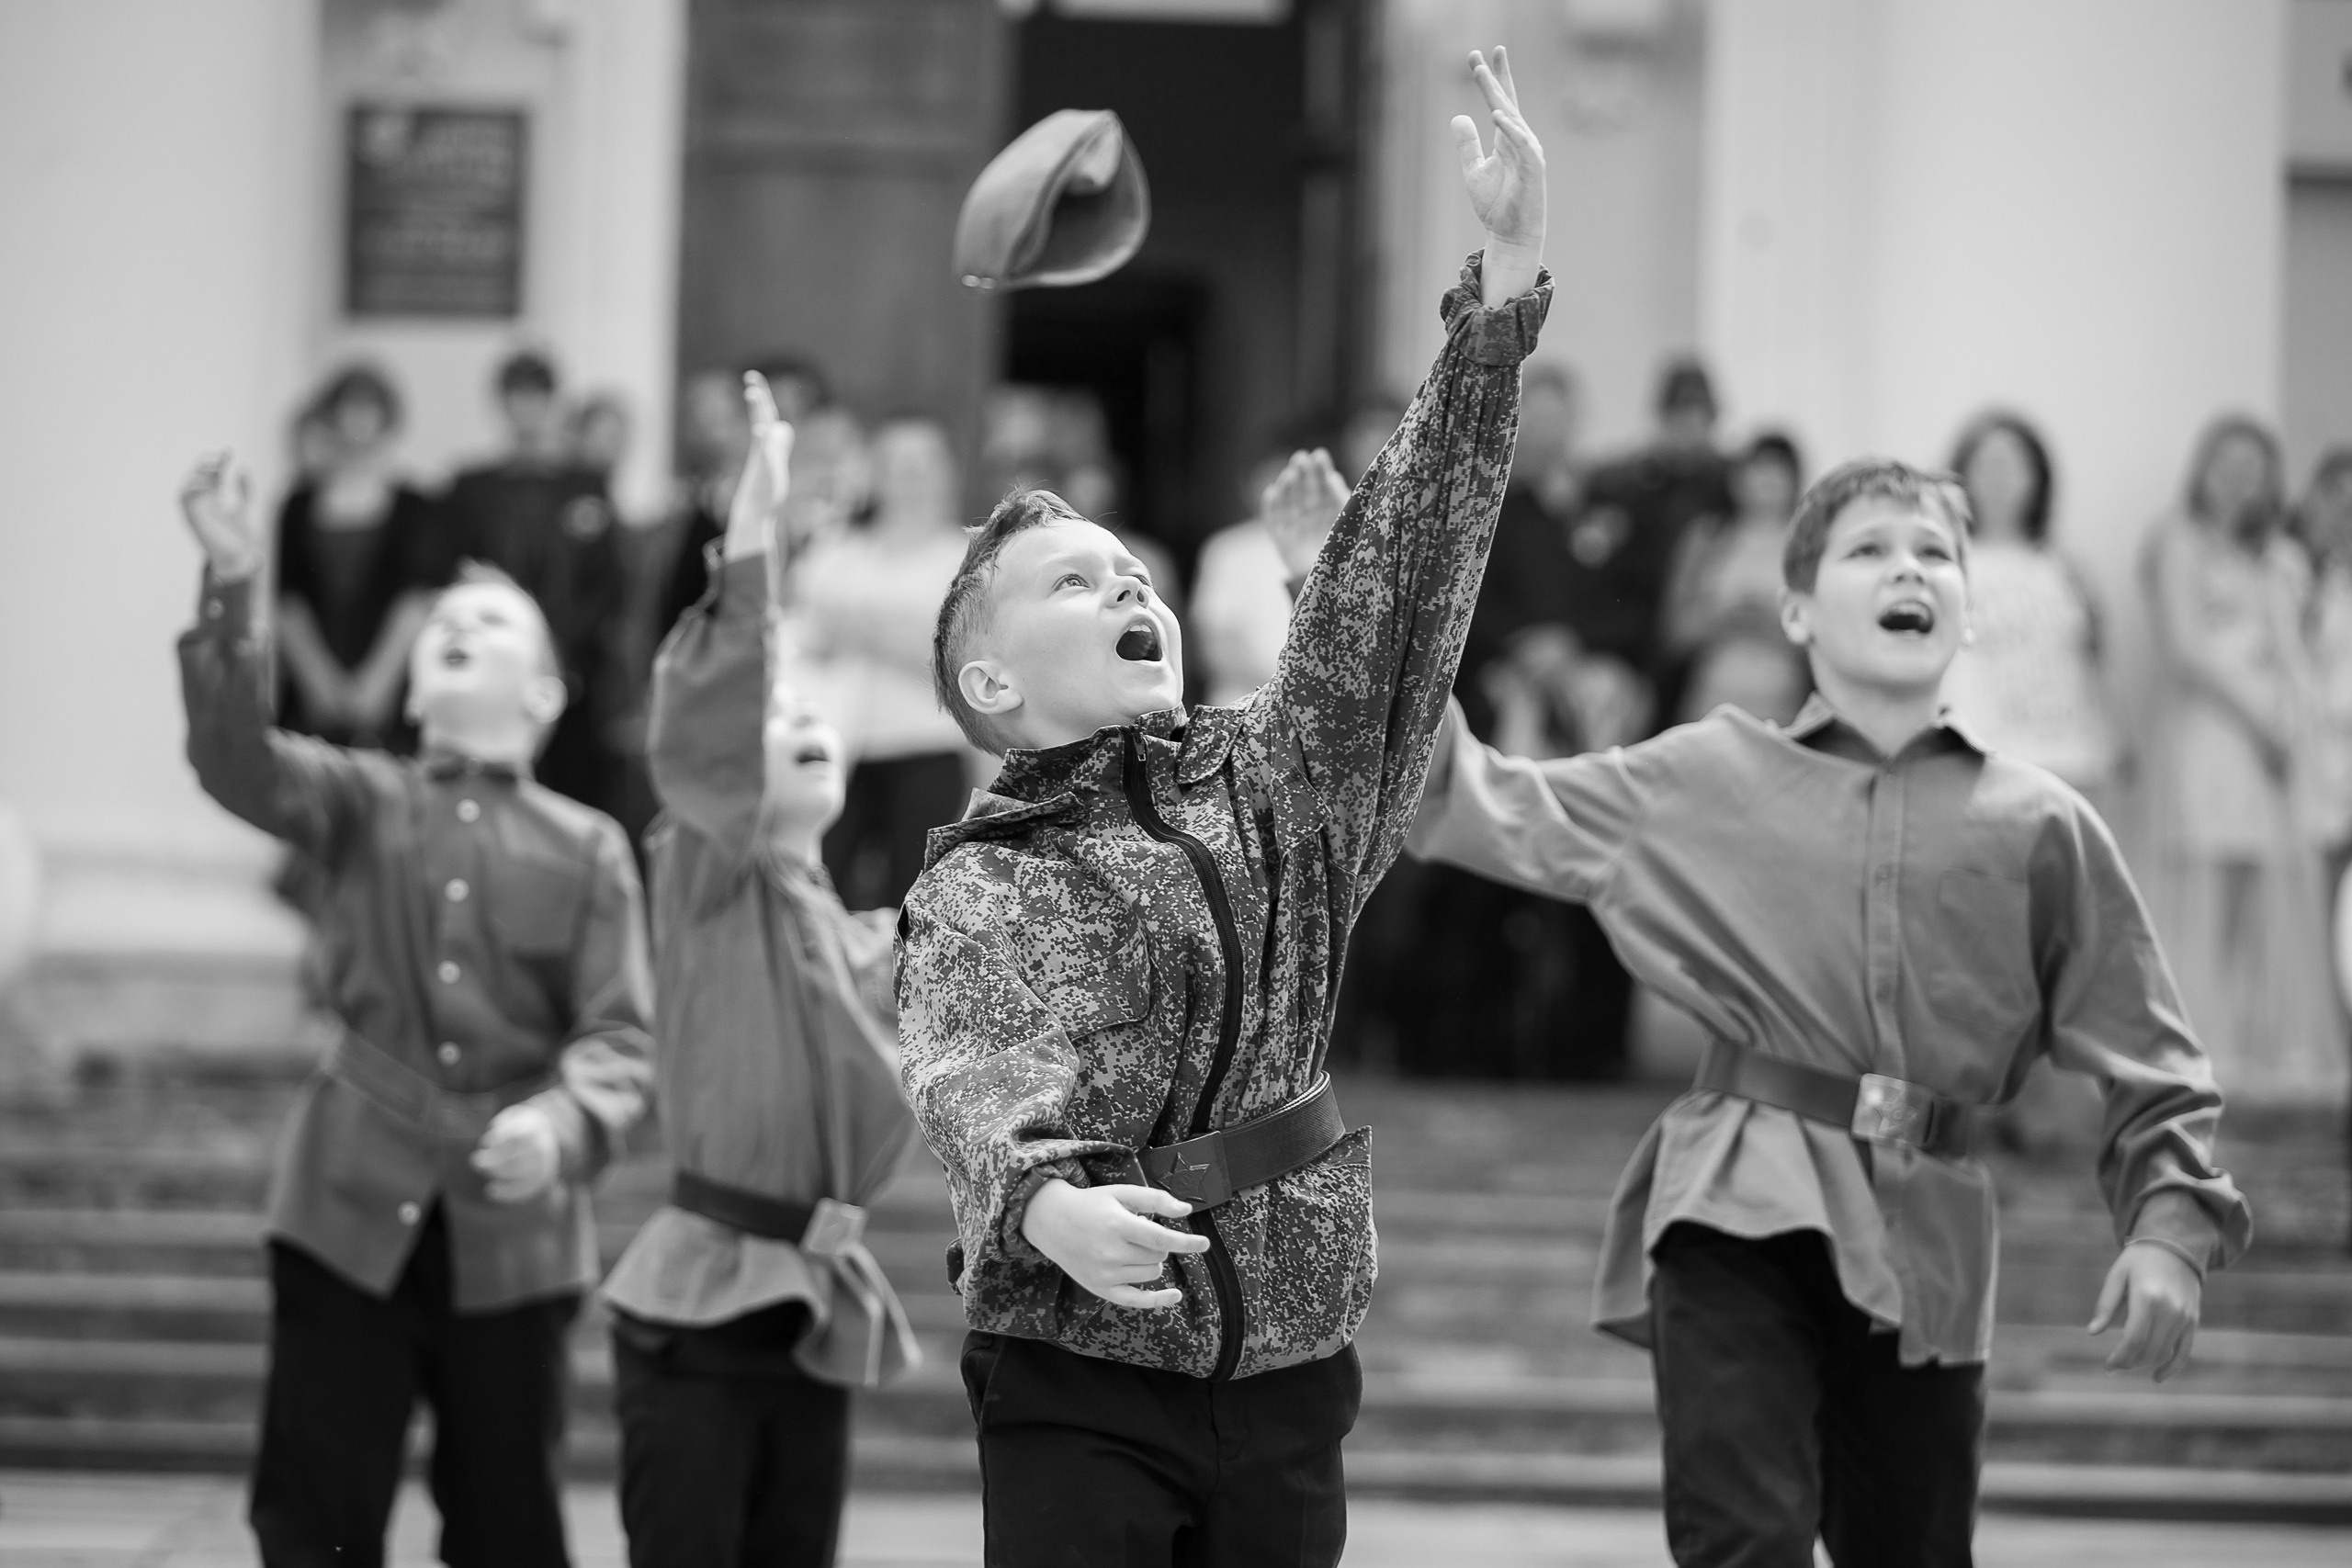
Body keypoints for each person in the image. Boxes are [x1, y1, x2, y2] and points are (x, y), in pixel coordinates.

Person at [894, 48, 1548, 1567]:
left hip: (1294, 1351)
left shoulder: (1273, 776)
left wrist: (1503, 282)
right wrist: (1038, 1199)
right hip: (1077, 1359)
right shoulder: (990, 874)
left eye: (1134, 571)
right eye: (1073, 579)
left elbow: (1400, 590)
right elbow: (970, 1053)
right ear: (991, 683)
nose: (1127, 582)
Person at [1402, 457, 2249, 1567]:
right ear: (1795, 609)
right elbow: (1480, 801)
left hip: (1931, 1240)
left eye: (1933, 552)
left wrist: (2170, 1234)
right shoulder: (1706, 773)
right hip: (1734, 1201)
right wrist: (1377, 608)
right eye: (1868, 549)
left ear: (1965, 610)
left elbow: (2152, 1056)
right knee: (1742, 1540)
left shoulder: (2045, 826)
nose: (1908, 567)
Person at [175, 454, 655, 1568]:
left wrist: (567, 1123)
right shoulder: (358, 795)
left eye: (492, 622)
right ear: (410, 690)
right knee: (314, 1520)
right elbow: (228, 755)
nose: (460, 626)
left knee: (507, 1527)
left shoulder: (589, 846)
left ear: (543, 695)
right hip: (344, 1198)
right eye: (445, 620)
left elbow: (618, 1037)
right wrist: (234, 575)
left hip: (519, 1231)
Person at [602, 378, 921, 1568]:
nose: (796, 716)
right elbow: (707, 730)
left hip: (814, 1296)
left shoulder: (866, 935)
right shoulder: (705, 873)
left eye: (811, 709)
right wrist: (756, 537)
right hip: (703, 1295)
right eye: (771, 709)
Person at [2138, 416, 2342, 1103]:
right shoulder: (2179, 541)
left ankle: (2252, 1041)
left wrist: (2291, 724)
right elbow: (2185, 649)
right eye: (2226, 462)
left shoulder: (2274, 555)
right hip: (2211, 733)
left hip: (2274, 740)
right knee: (2210, 879)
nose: (2238, 478)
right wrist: (2258, 720)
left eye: (2253, 466)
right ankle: (2195, 1037)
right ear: (2202, 467)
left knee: (2262, 884)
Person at [790, 415, 976, 910]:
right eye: (895, 464)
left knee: (915, 907)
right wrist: (901, 634)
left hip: (926, 752)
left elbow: (963, 667)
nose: (908, 478)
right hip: (837, 752)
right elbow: (804, 643)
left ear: (948, 472)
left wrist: (864, 629)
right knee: (818, 897)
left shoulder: (969, 562)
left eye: (922, 465)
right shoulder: (835, 553)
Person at [442, 350, 627, 816]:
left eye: (536, 398)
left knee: (570, 797)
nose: (526, 410)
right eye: (515, 398)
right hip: (492, 666)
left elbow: (605, 586)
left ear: (554, 404)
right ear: (501, 405)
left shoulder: (586, 485)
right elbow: (458, 574)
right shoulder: (473, 487)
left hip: (571, 670)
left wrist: (558, 649)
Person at [1937, 412, 2118, 797]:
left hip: (2069, 761)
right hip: (1980, 764)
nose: (1999, 478)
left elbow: (2094, 663)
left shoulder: (2065, 567)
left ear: (2038, 479)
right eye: (1986, 464)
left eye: (2013, 464)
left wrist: (2113, 742)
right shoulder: (1943, 564)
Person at [272, 366, 447, 751]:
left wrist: (377, 683)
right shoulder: (297, 506)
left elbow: (415, 598)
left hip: (391, 690)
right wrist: (318, 681)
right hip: (309, 693)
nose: (358, 423)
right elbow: (289, 599)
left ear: (388, 420)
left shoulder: (417, 506)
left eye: (369, 410)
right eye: (349, 409)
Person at [1577, 355, 1734, 721]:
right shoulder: (1624, 483)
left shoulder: (1728, 483)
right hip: (1636, 629)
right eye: (1679, 416)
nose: (1688, 427)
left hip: (1699, 627)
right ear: (1662, 418)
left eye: (1697, 416)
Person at [1661, 431, 1810, 728]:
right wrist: (1722, 618)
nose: (1766, 480)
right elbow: (1672, 633)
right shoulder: (1708, 539)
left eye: (1777, 469)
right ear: (1736, 479)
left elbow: (1827, 641)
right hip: (1709, 705)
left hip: (1784, 712)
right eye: (1757, 468)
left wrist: (1770, 624)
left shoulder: (1808, 546)